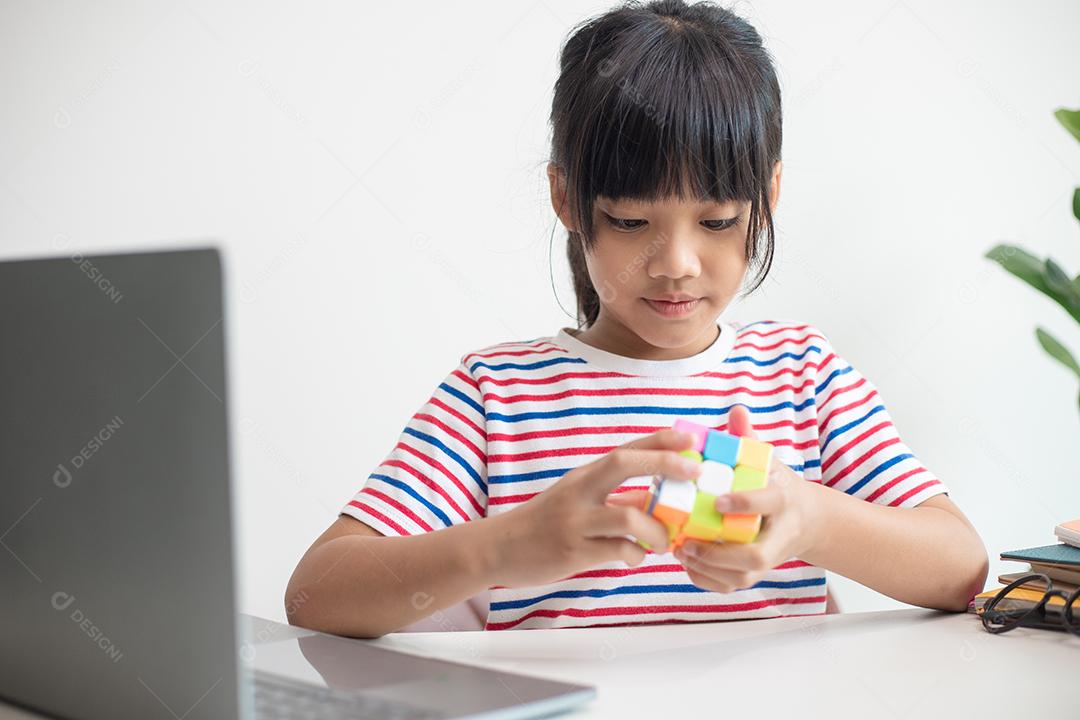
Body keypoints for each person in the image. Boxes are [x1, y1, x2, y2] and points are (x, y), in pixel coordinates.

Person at [286, 0, 988, 637]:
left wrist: (813, 518)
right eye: (629, 219)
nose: (676, 261)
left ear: (768, 195)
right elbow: (316, 597)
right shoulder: (499, 394)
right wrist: (504, 547)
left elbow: (961, 568)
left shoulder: (803, 377)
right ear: (566, 198)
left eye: (718, 220)